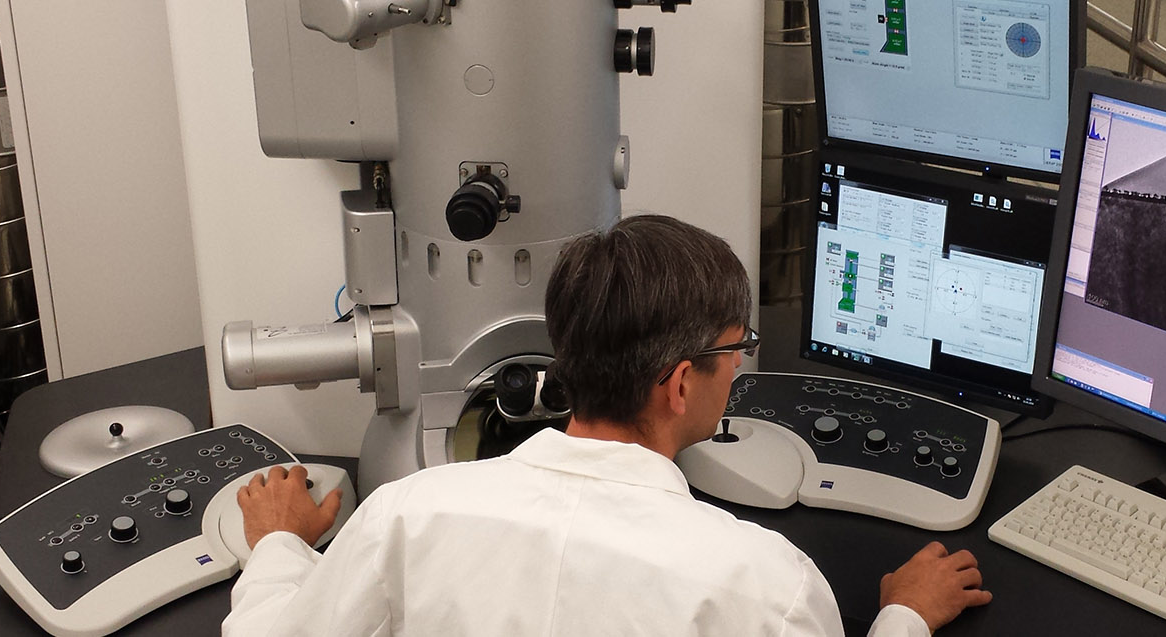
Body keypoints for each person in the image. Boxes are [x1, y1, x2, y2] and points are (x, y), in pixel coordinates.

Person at [223, 215, 990, 635]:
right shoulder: (764, 585)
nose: (740, 367)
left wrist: (281, 545)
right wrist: (902, 614)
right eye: (736, 350)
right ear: (682, 383)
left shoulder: (406, 515)